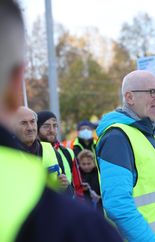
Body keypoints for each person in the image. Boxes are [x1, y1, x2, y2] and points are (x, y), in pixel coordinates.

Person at [0, 1, 122, 241]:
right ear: (17, 83)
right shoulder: (78, 227)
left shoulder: (62, 154)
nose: (33, 128)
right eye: (46, 125)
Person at [96, 70, 155, 241]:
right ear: (130, 97)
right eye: (152, 92)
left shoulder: (144, 132)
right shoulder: (117, 137)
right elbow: (117, 205)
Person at [12, 106, 69, 191]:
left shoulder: (50, 150)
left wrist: (64, 186)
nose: (30, 128)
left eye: (32, 122)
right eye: (23, 123)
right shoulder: (5, 153)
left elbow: (67, 190)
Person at [37, 110, 73, 183]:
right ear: (37, 128)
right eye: (46, 126)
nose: (52, 130)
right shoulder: (32, 152)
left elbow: (74, 185)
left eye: (55, 126)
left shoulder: (67, 152)